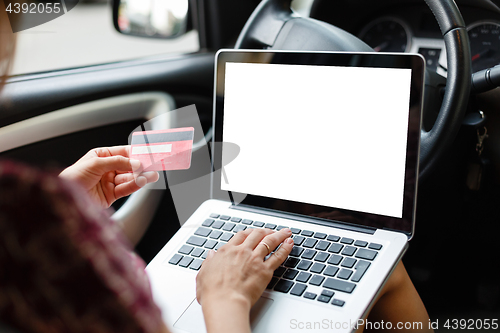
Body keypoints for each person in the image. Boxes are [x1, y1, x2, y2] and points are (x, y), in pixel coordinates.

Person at [0, 4, 432, 332]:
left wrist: (64, 212)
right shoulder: (20, 213)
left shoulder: (23, 212)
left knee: (384, 266)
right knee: (386, 271)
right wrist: (226, 302)